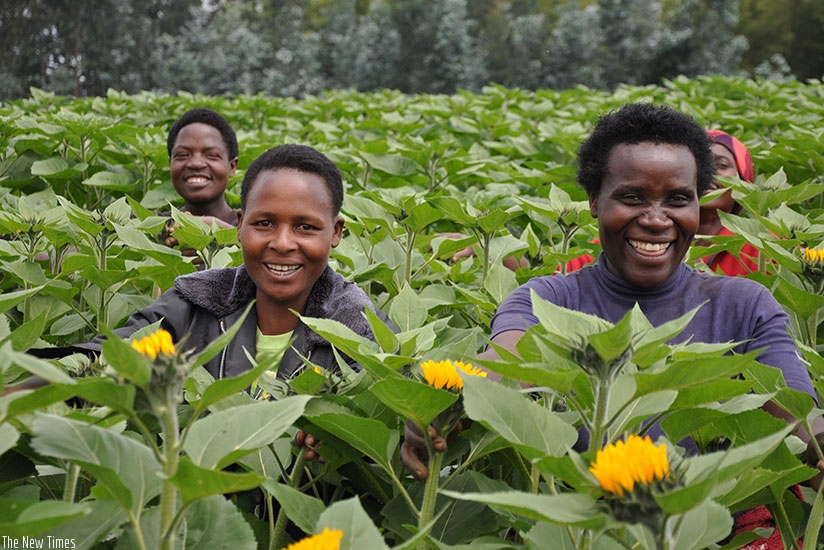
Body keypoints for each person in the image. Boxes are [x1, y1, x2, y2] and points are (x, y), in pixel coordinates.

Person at [401, 104, 824, 524]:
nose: (657, 219)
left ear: (699, 204)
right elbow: (503, 366)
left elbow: (801, 422)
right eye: (632, 197)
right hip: (586, 527)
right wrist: (440, 407)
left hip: (712, 531)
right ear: (593, 201)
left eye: (678, 199)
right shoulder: (548, 300)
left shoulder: (744, 306)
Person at [25, 143, 391, 384]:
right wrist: (26, 386)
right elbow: (105, 358)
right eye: (264, 223)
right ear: (240, 224)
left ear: (335, 232)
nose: (282, 243)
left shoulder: (359, 326)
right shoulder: (196, 304)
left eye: (305, 227)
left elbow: (398, 395)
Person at [564, 128, 760, 276]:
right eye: (633, 198)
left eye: (721, 165)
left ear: (745, 181)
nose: (708, 176)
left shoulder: (763, 247)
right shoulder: (610, 244)